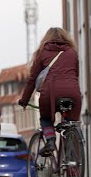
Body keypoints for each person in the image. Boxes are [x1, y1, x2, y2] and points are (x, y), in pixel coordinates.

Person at [18, 27, 81, 156]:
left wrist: (24, 100)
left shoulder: (42, 52)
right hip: (73, 92)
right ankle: (72, 167)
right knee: (70, 126)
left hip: (50, 92)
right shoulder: (72, 52)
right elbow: (76, 74)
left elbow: (32, 79)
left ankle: (51, 141)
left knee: (46, 119)